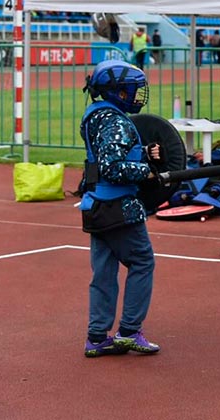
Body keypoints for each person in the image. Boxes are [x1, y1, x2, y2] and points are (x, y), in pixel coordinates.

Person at [78, 60, 161, 358]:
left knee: (103, 272)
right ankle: (128, 331)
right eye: (132, 90)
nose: (137, 96)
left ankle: (97, 336)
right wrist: (146, 171)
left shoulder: (94, 117)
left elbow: (102, 159)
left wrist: (142, 154)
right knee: (142, 262)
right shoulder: (116, 122)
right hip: (119, 207)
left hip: (95, 205)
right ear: (117, 92)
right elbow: (113, 167)